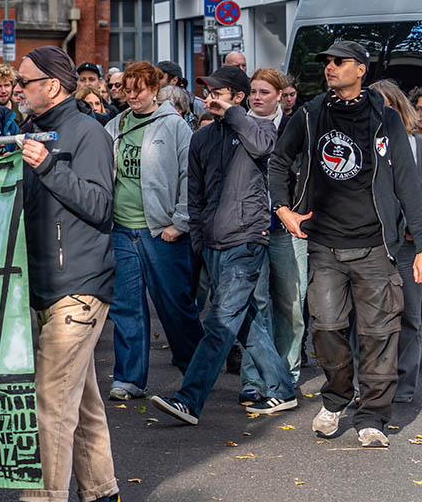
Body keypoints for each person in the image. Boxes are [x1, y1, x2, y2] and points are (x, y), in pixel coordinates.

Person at [271, 42, 422, 446]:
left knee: (379, 335)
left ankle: (373, 416)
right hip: (325, 244)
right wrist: (283, 208)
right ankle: (338, 396)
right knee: (327, 329)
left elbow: (408, 183)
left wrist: (421, 244)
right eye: (327, 62)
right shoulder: (310, 114)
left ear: (360, 69)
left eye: (338, 62)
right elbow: (279, 161)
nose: (329, 68)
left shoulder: (385, 119)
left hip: (377, 247)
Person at [4, 46, 123, 502]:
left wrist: (49, 167)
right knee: (82, 399)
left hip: (79, 286)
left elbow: (99, 205)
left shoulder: (87, 131)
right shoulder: (39, 131)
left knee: (51, 397)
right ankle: (103, 496)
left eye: (24, 82)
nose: (17, 89)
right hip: (51, 284)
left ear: (52, 86)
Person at [149, 65, 298, 426]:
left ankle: (189, 399)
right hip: (213, 243)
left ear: (238, 97)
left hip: (246, 241)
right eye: (209, 92)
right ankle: (282, 388)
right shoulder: (201, 137)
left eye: (219, 92)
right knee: (245, 323)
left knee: (218, 322)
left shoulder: (258, 127)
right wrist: (199, 240)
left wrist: (233, 115)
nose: (211, 97)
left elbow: (264, 148)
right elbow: (195, 193)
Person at [103, 61, 203, 402]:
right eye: (126, 90)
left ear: (154, 91)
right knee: (127, 307)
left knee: (175, 305)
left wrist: (180, 221)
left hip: (161, 230)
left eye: (138, 90)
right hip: (122, 228)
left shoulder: (174, 126)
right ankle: (129, 377)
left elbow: (190, 176)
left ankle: (195, 369)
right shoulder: (115, 125)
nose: (131, 96)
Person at [236, 68, 308, 402]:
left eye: (264, 92)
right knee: (257, 304)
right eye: (253, 92)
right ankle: (254, 380)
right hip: (251, 229)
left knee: (292, 304)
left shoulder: (295, 128)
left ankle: (287, 375)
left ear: (280, 95)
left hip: (288, 227)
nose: (257, 98)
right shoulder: (238, 125)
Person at [368, 79, 422, 404]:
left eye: (382, 105)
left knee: (412, 316)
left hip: (409, 244)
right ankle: (372, 384)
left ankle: (404, 387)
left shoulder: (416, 144)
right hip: (374, 241)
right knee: (370, 316)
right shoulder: (367, 143)